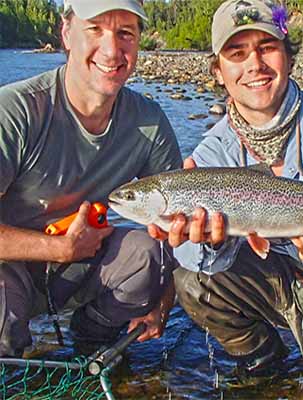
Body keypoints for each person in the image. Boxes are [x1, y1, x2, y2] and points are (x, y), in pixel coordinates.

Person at [149, 0, 303, 397]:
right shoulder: (211, 155)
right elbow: (195, 263)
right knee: (192, 277)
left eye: (266, 47)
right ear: (218, 71)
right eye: (236, 53)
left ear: (288, 56)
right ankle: (266, 363)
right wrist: (205, 245)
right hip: (271, 281)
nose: (254, 64)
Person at [0, 0, 182, 357]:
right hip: (10, 268)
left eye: (125, 33)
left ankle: (90, 337)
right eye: (95, 29)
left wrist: (164, 299)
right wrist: (60, 248)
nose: (112, 50)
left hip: (84, 267)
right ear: (67, 34)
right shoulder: (15, 111)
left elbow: (175, 230)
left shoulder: (149, 121)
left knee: (151, 255)